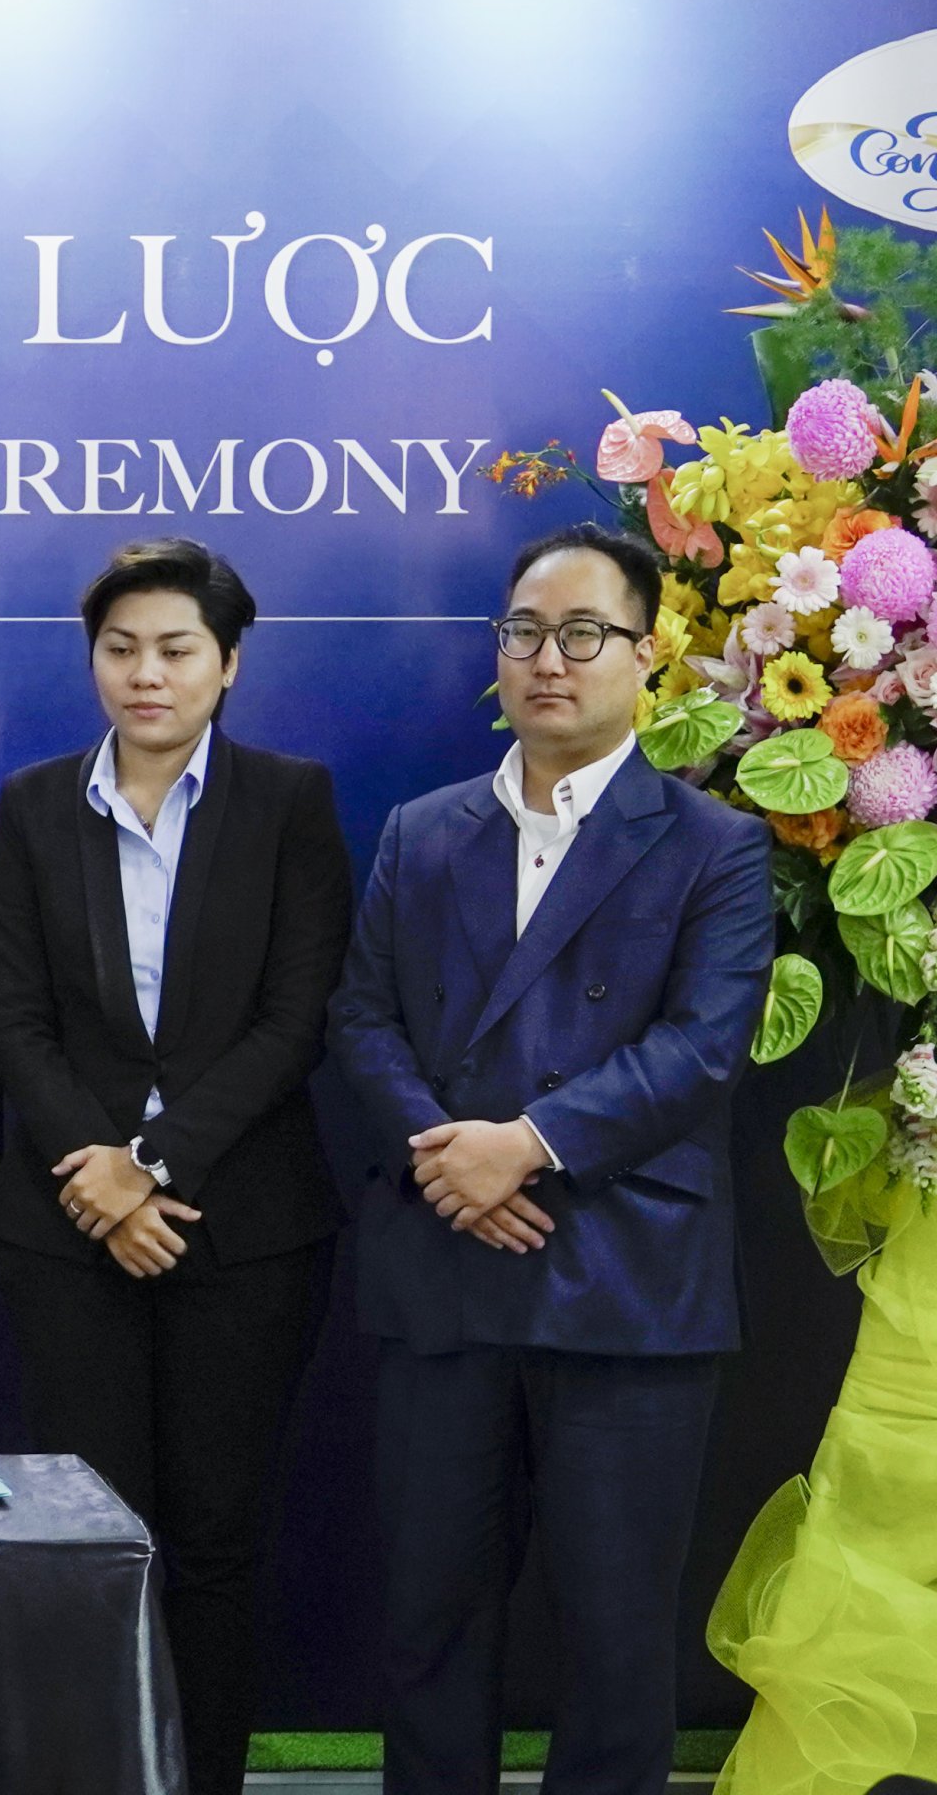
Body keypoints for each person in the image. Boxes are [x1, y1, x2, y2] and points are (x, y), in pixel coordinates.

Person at [323, 523, 770, 1795]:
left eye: (582, 634)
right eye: (523, 633)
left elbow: (702, 1047)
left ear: (648, 653)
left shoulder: (712, 844)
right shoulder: (422, 831)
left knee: (617, 1639)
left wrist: (525, 1146)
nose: (547, 661)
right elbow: (361, 1016)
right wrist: (449, 1167)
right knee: (427, 1620)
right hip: (443, 1269)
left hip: (623, 1277)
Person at [0, 539, 350, 1795]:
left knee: (216, 1541)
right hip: (65, 1230)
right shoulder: (35, 805)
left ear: (227, 663)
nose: (146, 674)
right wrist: (97, 1180)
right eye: (121, 648)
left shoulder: (288, 802)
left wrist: (149, 1163)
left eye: (176, 649)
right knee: (90, 1540)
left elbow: (294, 1020)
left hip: (241, 1228)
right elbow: (11, 1016)